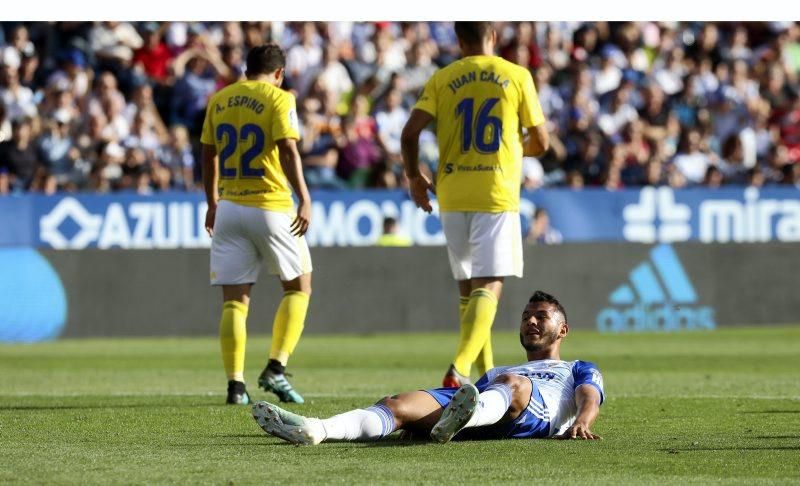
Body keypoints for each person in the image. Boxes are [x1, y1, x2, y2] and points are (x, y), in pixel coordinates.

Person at [400, 22, 550, 387]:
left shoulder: (443, 77)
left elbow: (409, 133)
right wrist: (517, 147)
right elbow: (542, 143)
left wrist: (414, 177)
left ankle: (485, 374)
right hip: (494, 191)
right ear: (493, 38)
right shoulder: (516, 75)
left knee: (469, 291)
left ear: (459, 41)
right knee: (490, 283)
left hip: (451, 191)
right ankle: (460, 368)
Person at [251, 291, 604, 445]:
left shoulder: (576, 367)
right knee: (396, 404)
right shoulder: (499, 370)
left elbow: (589, 396)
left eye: (541, 316)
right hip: (489, 410)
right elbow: (471, 396)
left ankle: (460, 419)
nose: (531, 322)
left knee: (510, 384)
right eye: (526, 316)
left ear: (563, 329)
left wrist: (583, 423)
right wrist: (426, 421)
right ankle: (318, 429)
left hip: (535, 412)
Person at [200, 44, 313, 405]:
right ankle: (276, 367)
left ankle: (235, 385)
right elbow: (288, 150)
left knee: (234, 300)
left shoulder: (220, 99)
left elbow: (207, 154)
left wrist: (211, 202)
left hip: (230, 206)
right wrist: (305, 198)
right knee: (299, 287)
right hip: (271, 205)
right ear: (279, 73)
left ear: (247, 68)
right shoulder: (280, 98)